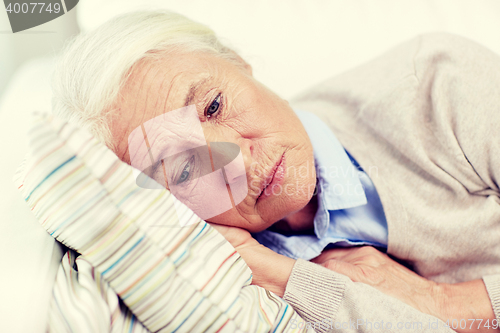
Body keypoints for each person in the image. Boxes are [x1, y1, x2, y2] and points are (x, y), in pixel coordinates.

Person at [51, 10, 500, 332]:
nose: (239, 162)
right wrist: (280, 276)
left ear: (237, 61)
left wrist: (441, 303)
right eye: (185, 170)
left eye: (213, 105)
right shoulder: (235, 277)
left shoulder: (438, 84)